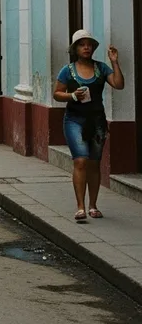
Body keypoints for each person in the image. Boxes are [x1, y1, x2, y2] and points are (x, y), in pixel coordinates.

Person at [53, 30, 124, 222]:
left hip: (97, 121)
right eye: (82, 44)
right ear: (75, 49)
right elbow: (57, 93)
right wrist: (72, 95)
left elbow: (118, 84)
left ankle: (93, 205)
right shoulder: (67, 70)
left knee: (94, 163)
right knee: (80, 161)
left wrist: (114, 62)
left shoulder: (101, 68)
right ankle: (80, 207)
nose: (86, 47)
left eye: (89, 44)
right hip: (74, 120)